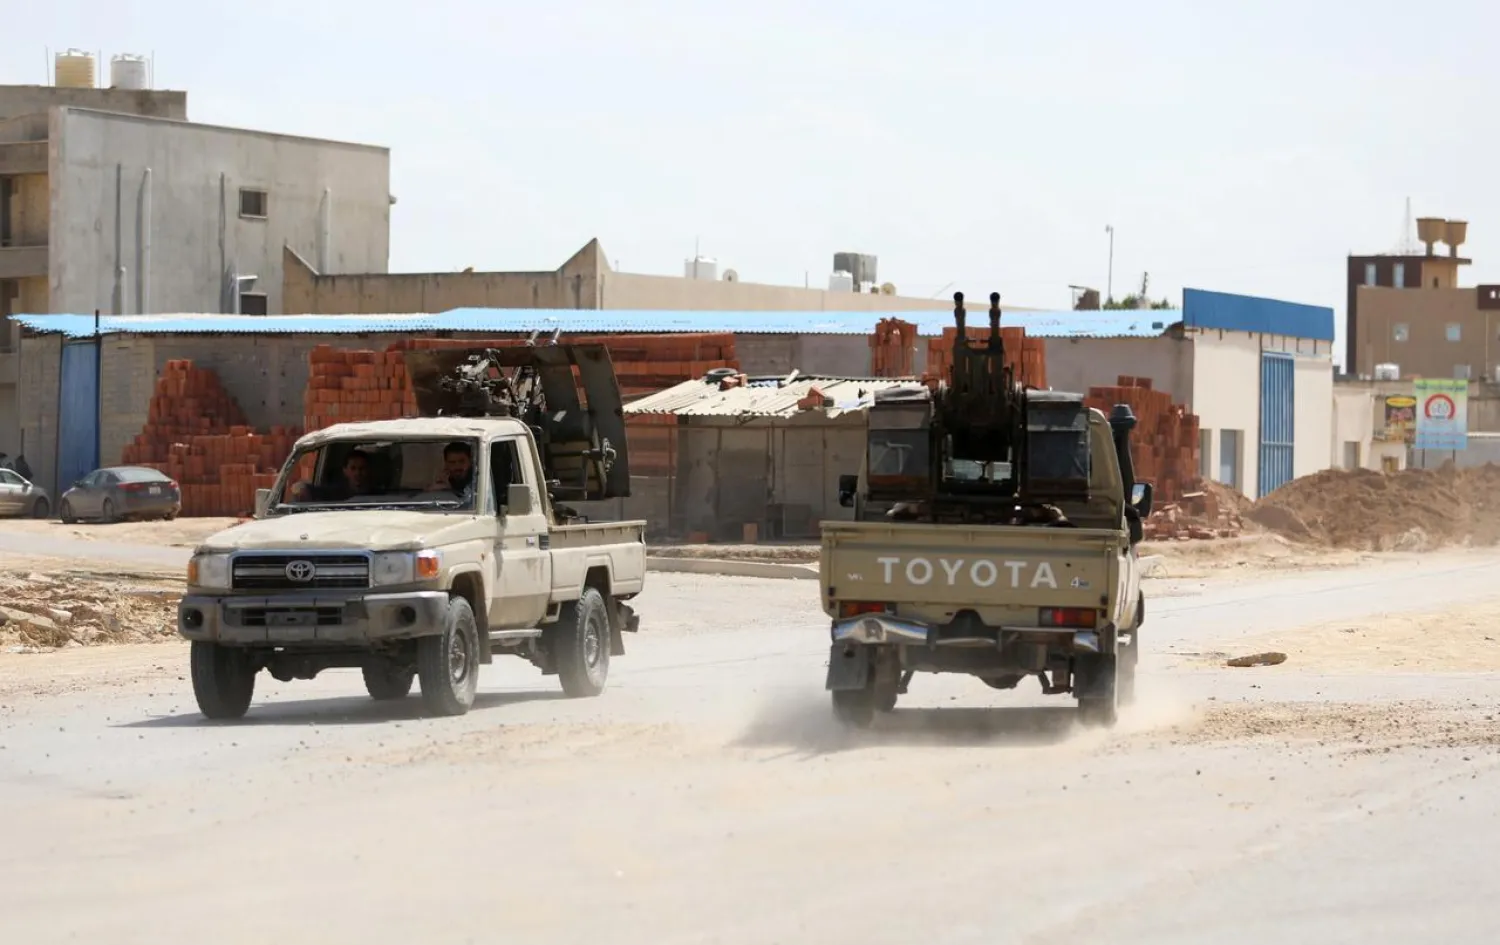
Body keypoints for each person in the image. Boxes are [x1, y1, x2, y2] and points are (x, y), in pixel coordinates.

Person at [288, 448, 373, 503]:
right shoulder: (334, 493)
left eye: (362, 468)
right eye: (353, 468)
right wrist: (300, 488)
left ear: (368, 470)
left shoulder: (379, 494)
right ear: (345, 471)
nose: (357, 473)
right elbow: (304, 488)